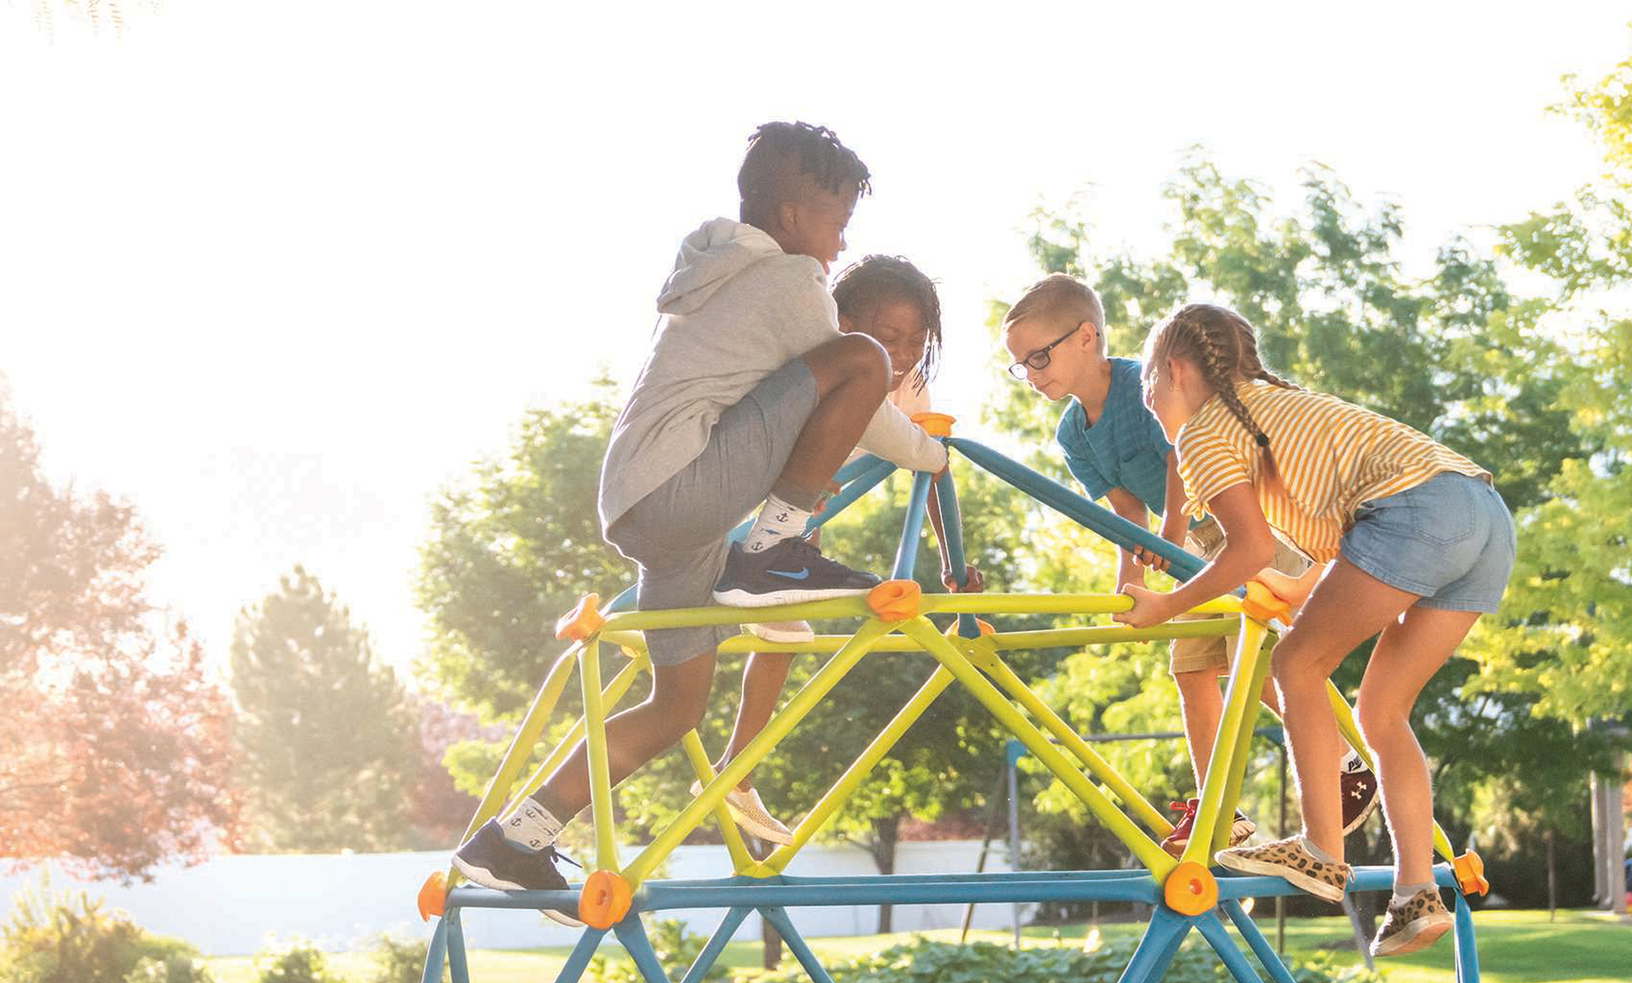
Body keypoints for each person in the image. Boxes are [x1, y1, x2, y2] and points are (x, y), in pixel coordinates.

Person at [452, 122, 948, 901]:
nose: (841, 238)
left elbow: (794, 417)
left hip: (653, 510)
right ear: (790, 218)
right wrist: (933, 452)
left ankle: (514, 838)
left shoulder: (716, 278)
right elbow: (866, 398)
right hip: (681, 492)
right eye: (835, 220)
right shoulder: (788, 283)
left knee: (676, 709)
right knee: (863, 361)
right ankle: (775, 547)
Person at [1118, 302, 1515, 959]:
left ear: (1178, 372)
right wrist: (1296, 590)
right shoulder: (1281, 404)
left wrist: (1167, 605)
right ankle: (1416, 896)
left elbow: (1244, 550)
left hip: (1418, 512)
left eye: (1149, 383)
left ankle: (1322, 850)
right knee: (1383, 712)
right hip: (1483, 516)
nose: (1149, 398)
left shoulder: (1205, 431)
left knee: (1296, 667)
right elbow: (1340, 541)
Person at [1002, 274, 1376, 855]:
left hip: (1240, 529)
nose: (1030, 373)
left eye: (1038, 356)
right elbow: (1125, 510)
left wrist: (1172, 529)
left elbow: (1182, 453)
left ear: (1085, 337)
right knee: (1192, 671)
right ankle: (1220, 808)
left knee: (1259, 662)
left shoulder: (1141, 384)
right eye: (1019, 365)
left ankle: (1345, 762)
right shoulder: (1073, 431)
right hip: (1190, 555)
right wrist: (1131, 580)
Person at [710, 253, 983, 846]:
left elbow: (930, 463)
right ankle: (731, 768)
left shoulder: (908, 382)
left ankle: (737, 770)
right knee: (756, 628)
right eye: (888, 338)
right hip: (757, 510)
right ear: (841, 320)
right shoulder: (817, 361)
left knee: (783, 632)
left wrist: (947, 558)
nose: (904, 354)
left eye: (916, 340)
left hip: (806, 520)